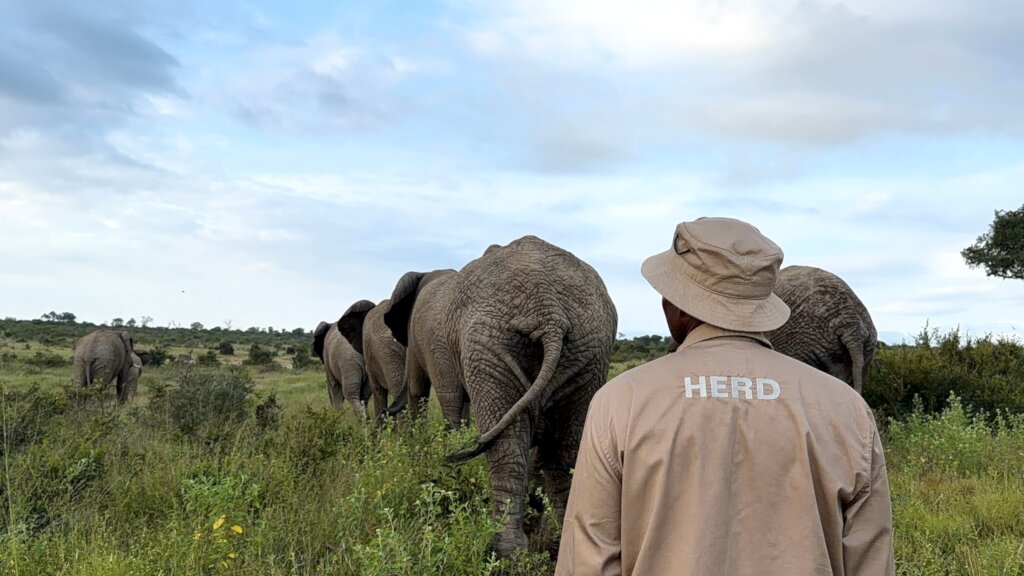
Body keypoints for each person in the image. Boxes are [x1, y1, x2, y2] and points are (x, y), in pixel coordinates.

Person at [555, 217, 894, 575]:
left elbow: (588, 562)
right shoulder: (848, 409)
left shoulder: (620, 401)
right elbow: (871, 563)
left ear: (678, 305)